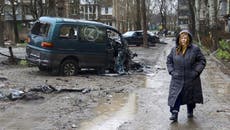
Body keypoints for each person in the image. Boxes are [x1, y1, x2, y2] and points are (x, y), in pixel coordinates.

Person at [166, 30, 206, 122]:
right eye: (182, 38)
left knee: (190, 96)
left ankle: (190, 110)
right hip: (177, 77)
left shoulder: (195, 49)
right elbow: (169, 61)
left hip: (190, 77)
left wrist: (196, 72)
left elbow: (202, 61)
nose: (183, 40)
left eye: (185, 38)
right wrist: (172, 71)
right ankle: (174, 113)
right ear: (179, 39)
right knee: (176, 95)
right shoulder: (174, 49)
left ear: (188, 39)